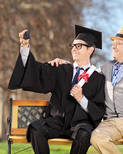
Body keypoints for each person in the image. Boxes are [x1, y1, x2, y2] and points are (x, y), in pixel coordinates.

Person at [49, 26, 123, 154]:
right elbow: (85, 71)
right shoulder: (105, 67)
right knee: (96, 138)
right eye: (113, 43)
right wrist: (66, 64)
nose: (113, 46)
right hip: (109, 123)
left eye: (118, 44)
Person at [8, 25, 105, 154]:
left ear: (90, 49)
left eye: (79, 46)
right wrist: (25, 47)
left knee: (84, 134)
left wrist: (81, 99)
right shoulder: (61, 69)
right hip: (58, 121)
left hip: (80, 123)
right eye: (73, 46)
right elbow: (37, 71)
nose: (74, 49)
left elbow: (98, 110)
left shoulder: (98, 78)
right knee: (36, 128)